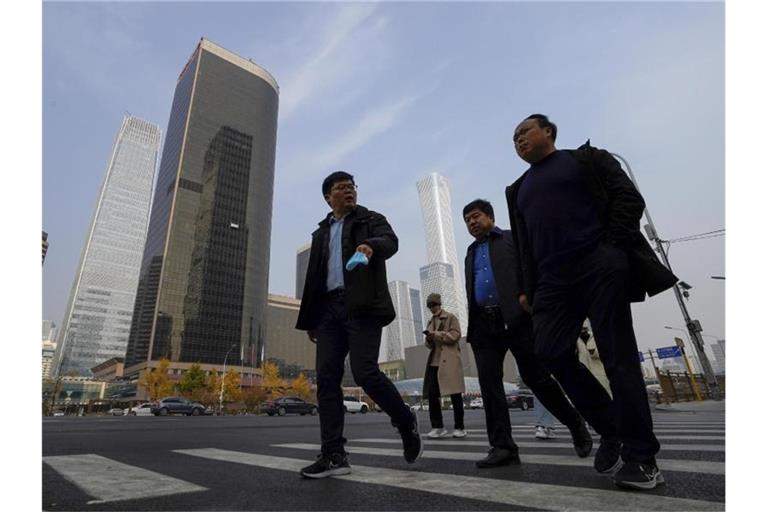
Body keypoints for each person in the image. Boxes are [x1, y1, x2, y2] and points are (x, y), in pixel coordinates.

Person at [506, 114, 678, 490]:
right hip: (551, 283)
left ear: (548, 131)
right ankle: (610, 427)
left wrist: (612, 247)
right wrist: (527, 288)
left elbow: (629, 198)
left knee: (618, 359)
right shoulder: (517, 189)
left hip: (598, 266)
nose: (518, 139)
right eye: (514, 137)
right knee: (550, 352)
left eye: (525, 131)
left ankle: (642, 459)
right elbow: (523, 245)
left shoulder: (587, 158)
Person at [295, 171, 423, 478]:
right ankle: (334, 454)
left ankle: (405, 420)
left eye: (351, 187)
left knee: (365, 372)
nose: (348, 191)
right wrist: (312, 318)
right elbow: (314, 278)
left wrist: (370, 246)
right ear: (328, 196)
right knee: (326, 379)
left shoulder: (370, 219)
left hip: (362, 305)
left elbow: (390, 241)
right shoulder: (320, 232)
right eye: (341, 188)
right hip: (328, 310)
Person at [462, 199, 592, 469]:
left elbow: (532, 269)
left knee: (538, 378)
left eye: (475, 217)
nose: (471, 223)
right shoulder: (470, 251)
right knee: (490, 387)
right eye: (467, 220)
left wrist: (530, 298)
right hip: (484, 326)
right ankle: (503, 447)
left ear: (490, 217)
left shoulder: (511, 239)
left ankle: (575, 423)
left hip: (518, 320)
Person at [422, 293, 467, 439]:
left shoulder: (450, 317)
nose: (432, 308)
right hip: (435, 361)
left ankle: (459, 427)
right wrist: (429, 339)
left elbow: (455, 335)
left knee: (455, 394)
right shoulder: (430, 321)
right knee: (432, 394)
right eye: (429, 306)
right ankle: (437, 426)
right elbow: (429, 345)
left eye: (433, 305)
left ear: (439, 304)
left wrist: (435, 334)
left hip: (450, 360)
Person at [577, 326, 612, 397]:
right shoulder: (574, 341)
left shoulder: (597, 337)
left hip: (602, 378)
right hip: (584, 379)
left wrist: (593, 351)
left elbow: (608, 352)